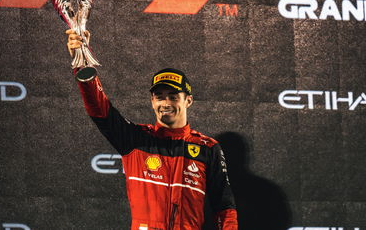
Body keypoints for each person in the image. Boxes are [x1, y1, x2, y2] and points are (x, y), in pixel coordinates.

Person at [66, 30, 238, 230]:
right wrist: (81, 61)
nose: (166, 103)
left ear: (188, 100)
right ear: (152, 100)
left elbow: (224, 206)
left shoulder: (208, 148)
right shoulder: (135, 139)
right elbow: (100, 110)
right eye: (159, 96)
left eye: (173, 96)